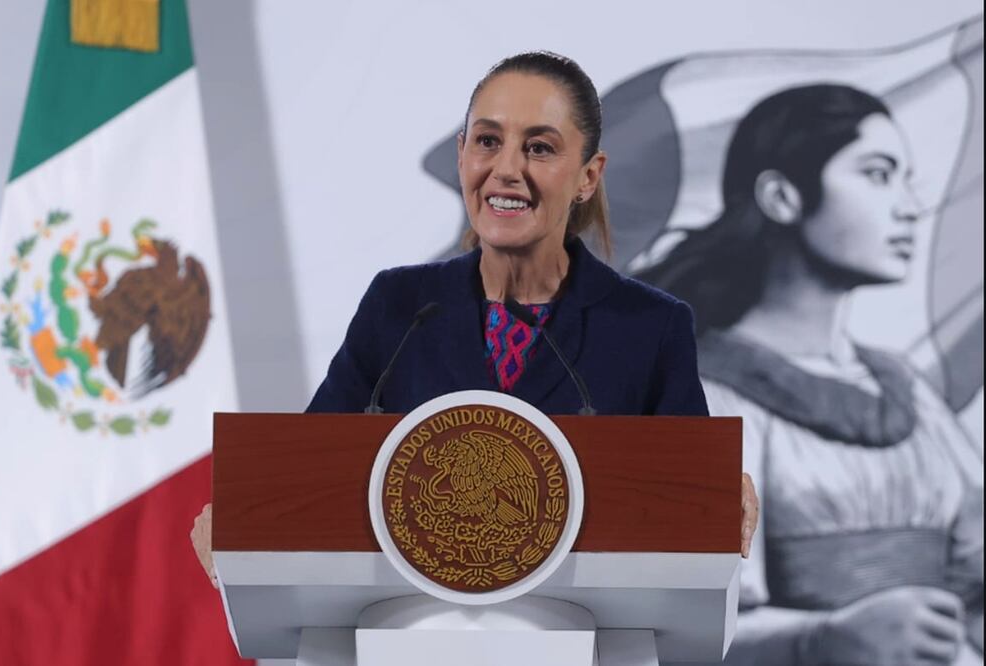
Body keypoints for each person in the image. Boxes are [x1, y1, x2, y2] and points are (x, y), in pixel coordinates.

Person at [191, 50, 759, 585]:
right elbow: (307, 477)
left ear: (589, 175)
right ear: (464, 155)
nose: (506, 169)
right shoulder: (398, 307)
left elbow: (690, 510)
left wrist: (718, 504)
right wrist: (244, 519)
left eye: (539, 148)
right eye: (489, 141)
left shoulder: (649, 326)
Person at [635, 84, 984, 665]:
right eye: (877, 174)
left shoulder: (908, 392)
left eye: (905, 178)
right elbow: (676, 635)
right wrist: (822, 639)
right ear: (782, 196)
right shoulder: (704, 394)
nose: (907, 206)